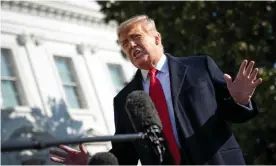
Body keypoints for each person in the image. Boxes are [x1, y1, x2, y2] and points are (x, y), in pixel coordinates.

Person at [49, 15, 263, 165]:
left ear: (157, 38)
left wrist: (240, 100)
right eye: (125, 43)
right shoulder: (125, 99)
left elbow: (231, 113)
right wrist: (92, 163)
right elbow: (125, 155)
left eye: (136, 37)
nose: (131, 46)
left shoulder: (200, 67)